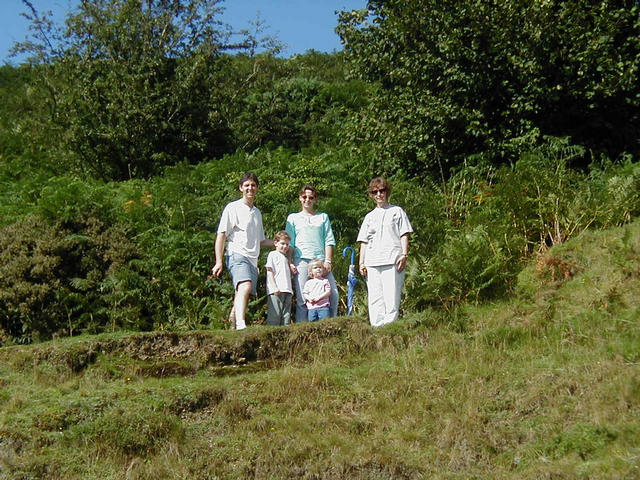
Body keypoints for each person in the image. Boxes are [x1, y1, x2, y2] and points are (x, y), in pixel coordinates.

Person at [212, 172, 273, 330]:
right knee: (244, 286)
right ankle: (240, 324)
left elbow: (261, 240)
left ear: (257, 188)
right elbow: (222, 234)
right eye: (246, 185)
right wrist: (219, 261)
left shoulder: (257, 213)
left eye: (253, 185)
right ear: (240, 188)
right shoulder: (233, 208)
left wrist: (279, 243)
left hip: (253, 259)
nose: (250, 188)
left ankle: (232, 323)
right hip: (236, 254)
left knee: (241, 292)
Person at [357, 177, 413, 327]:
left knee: (391, 297)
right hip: (372, 262)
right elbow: (364, 241)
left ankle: (389, 328)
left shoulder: (397, 211)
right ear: (371, 195)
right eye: (375, 192)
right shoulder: (369, 216)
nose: (379, 194)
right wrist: (361, 262)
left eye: (381, 191)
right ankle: (376, 328)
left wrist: (404, 254)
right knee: (375, 299)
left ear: (387, 192)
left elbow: (404, 234)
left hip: (392, 259)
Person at [285, 185, 338, 322]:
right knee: (303, 298)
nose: (307, 200)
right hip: (301, 261)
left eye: (311, 197)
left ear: (315, 200)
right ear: (300, 198)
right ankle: (302, 328)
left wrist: (328, 260)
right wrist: (290, 262)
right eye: (304, 197)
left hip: (320, 261)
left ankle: (331, 324)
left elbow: (329, 240)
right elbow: (290, 243)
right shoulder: (293, 218)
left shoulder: (322, 217)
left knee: (333, 294)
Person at [265, 230, 294, 326]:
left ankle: (285, 335)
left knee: (286, 315)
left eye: (287, 244)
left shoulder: (285, 258)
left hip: (287, 290)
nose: (285, 246)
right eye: (282, 243)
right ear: (275, 243)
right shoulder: (273, 254)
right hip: (276, 290)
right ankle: (272, 335)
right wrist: (274, 287)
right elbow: (270, 271)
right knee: (275, 315)